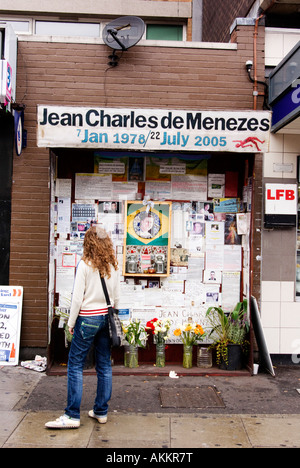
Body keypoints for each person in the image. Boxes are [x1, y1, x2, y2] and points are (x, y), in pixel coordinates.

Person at [45, 226, 120, 429]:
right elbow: (117, 298)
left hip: (87, 319)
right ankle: (100, 411)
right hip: (106, 318)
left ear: (89, 243)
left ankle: (72, 415)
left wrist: (70, 324)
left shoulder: (85, 265)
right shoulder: (113, 266)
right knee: (104, 364)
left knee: (76, 364)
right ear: (106, 244)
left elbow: (77, 298)